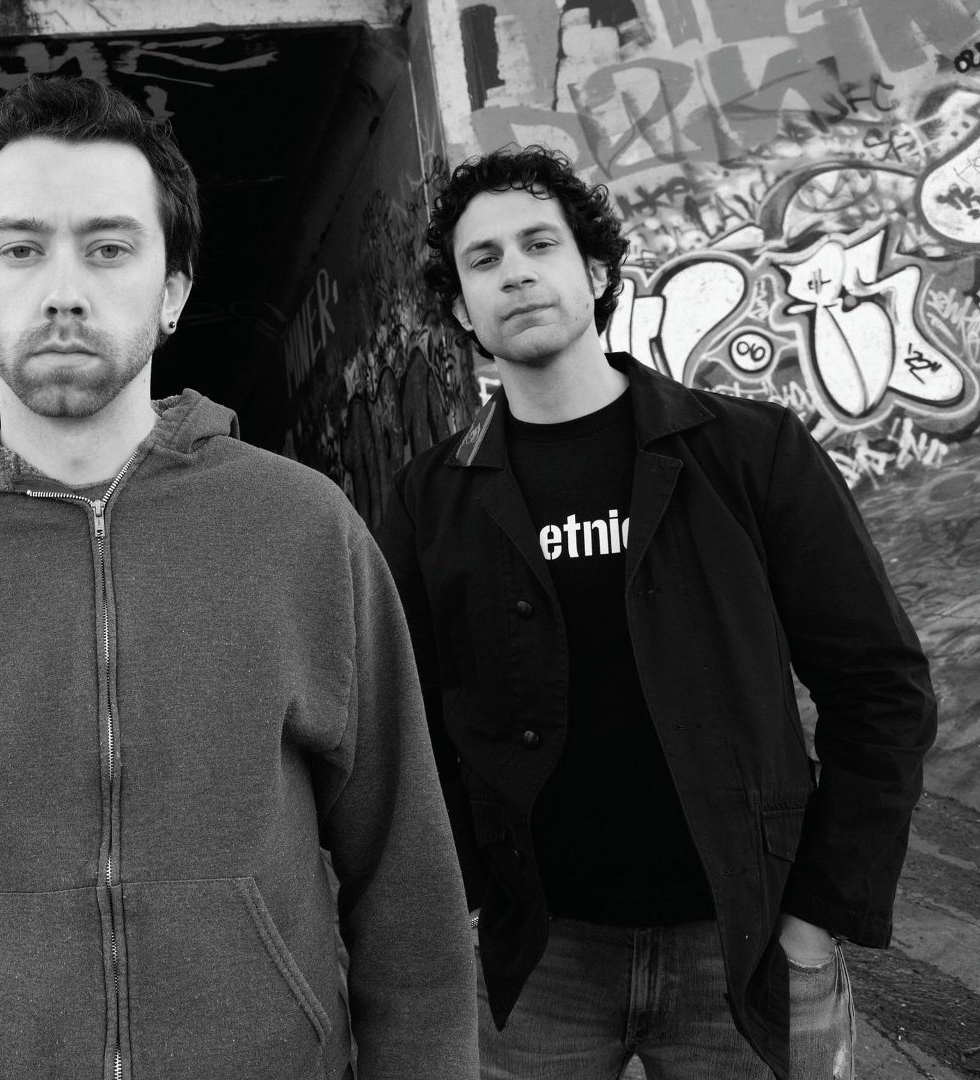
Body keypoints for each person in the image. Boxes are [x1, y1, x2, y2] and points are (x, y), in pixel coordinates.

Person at [0, 75, 476, 1080]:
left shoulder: (303, 530)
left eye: (108, 248)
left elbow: (407, 891)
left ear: (174, 288)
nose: (63, 289)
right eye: (20, 249)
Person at [378, 145, 938, 1079]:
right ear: (462, 310)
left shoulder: (749, 452)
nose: (514, 272)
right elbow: (405, 724)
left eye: (539, 244)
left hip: (747, 940)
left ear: (596, 271)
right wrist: (464, 903)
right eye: (483, 260)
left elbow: (881, 685)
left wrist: (816, 914)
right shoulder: (428, 501)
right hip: (535, 960)